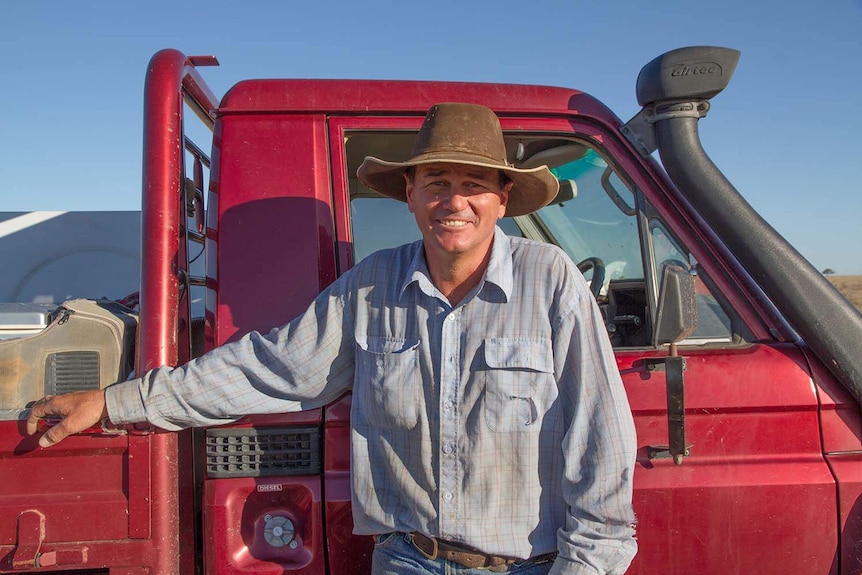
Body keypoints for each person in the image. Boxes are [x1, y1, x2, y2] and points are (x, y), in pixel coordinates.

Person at [26, 103, 637, 574]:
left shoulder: (550, 281)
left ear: (502, 199)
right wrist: (113, 401)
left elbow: (600, 440)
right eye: (436, 181)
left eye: (474, 183)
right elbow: (269, 368)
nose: (455, 200)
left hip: (528, 565)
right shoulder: (371, 285)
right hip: (408, 561)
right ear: (410, 195)